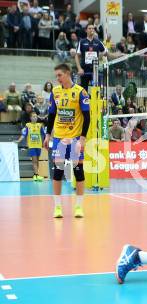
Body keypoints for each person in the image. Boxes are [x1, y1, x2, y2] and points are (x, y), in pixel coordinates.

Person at [43, 63, 90, 219]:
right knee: (58, 171)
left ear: (68, 73)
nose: (57, 79)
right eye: (56, 76)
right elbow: (51, 115)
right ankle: (57, 208)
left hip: (76, 138)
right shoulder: (55, 92)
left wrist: (82, 139)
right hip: (59, 139)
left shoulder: (80, 92)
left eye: (59, 75)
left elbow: (87, 117)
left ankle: (79, 207)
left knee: (79, 172)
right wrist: (48, 135)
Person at [75, 23, 108, 92]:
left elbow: (105, 52)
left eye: (93, 28)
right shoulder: (82, 42)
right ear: (86, 30)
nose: (91, 30)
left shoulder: (98, 42)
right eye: (89, 28)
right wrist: (79, 68)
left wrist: (99, 56)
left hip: (95, 70)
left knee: (96, 91)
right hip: (84, 70)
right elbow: (77, 56)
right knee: (84, 91)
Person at [15, 111, 45, 181]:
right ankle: (35, 175)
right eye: (33, 117)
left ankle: (37, 175)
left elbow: (44, 134)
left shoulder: (40, 125)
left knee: (37, 161)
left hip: (39, 146)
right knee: (34, 161)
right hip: (32, 146)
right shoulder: (28, 125)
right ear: (30, 118)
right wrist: (18, 140)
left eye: (36, 117)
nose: (35, 118)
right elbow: (24, 134)